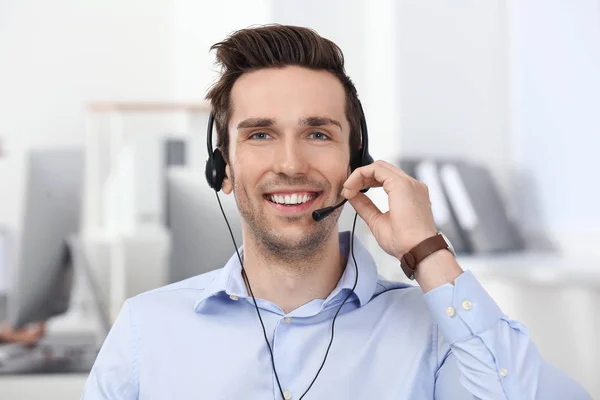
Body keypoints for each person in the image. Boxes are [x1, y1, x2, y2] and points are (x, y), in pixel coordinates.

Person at [81, 25, 591, 399]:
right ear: (223, 169)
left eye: (318, 134)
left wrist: (427, 251)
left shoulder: (435, 330)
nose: (290, 163)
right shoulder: (146, 330)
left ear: (357, 161)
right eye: (260, 134)